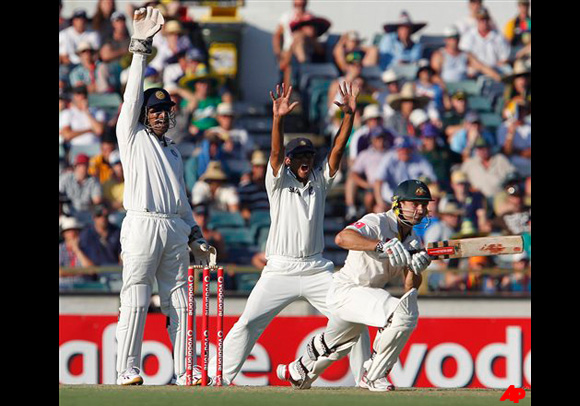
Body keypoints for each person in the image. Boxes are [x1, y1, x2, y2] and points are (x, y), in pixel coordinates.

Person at [208, 81, 371, 386]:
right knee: (247, 324)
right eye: (299, 157)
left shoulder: (320, 182)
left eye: (309, 156)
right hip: (279, 269)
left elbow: (337, 148)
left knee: (353, 320)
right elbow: (274, 150)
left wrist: (349, 116)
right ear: (288, 161)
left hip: (315, 269)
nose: (306, 160)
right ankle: (216, 377)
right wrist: (277, 119)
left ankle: (366, 379)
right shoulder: (278, 183)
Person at [113, 7, 217, 386]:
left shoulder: (173, 150)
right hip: (141, 222)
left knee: (180, 304)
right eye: (153, 110)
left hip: (174, 227)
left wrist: (196, 233)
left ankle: (186, 369)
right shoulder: (132, 135)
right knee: (137, 299)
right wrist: (140, 50)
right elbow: (129, 100)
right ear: (144, 114)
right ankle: (127, 367)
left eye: (164, 110)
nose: (159, 115)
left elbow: (182, 197)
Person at [277, 179, 432, 391]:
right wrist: (379, 245)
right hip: (347, 290)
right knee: (402, 314)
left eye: (424, 204)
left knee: (332, 346)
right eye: (415, 204)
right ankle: (374, 375)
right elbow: (342, 238)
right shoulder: (377, 222)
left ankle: (297, 370)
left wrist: (416, 268)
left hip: (365, 297)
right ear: (398, 204)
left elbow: (409, 287)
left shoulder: (414, 241)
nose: (421, 210)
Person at [373, 137, 437, 212]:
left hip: (414, 199)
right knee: (379, 209)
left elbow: (433, 180)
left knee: (432, 206)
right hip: (391, 199)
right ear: (396, 149)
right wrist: (380, 201)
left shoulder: (419, 159)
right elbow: (378, 182)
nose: (404, 152)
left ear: (411, 149)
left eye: (406, 149)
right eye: (401, 149)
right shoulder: (389, 158)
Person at [346, 127, 392, 219]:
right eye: (378, 138)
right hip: (373, 187)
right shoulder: (365, 154)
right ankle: (353, 209)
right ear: (372, 140)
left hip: (390, 187)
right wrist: (367, 185)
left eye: (382, 138)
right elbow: (354, 173)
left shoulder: (392, 153)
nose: (381, 141)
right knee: (369, 197)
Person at [431, 25, 502, 84]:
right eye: (451, 38)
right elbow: (434, 76)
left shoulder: (466, 55)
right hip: (446, 88)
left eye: (456, 37)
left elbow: (482, 67)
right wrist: (443, 86)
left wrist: (497, 77)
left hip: (463, 88)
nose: (454, 41)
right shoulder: (439, 55)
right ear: (446, 40)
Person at [59, 154, 104, 225]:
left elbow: (97, 200)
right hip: (69, 214)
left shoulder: (93, 180)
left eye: (86, 165)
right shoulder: (66, 178)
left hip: (87, 215)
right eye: (81, 165)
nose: (83, 168)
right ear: (75, 166)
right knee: (69, 223)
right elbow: (60, 193)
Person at [496, 101, 531, 177]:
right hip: (513, 167)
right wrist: (510, 134)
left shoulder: (529, 125)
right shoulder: (504, 127)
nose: (520, 113)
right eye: (518, 110)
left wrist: (517, 151)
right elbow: (507, 151)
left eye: (523, 109)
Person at [238, 150, 270, 221]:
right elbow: (244, 211)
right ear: (252, 168)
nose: (261, 170)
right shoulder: (245, 188)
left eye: (263, 167)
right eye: (257, 166)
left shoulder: (269, 187)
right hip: (254, 222)